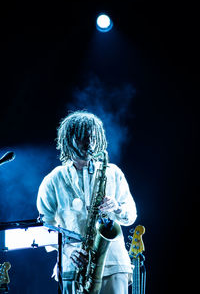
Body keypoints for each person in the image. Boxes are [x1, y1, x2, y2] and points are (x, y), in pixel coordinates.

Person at [37, 111, 137, 294]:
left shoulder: (113, 172)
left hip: (114, 264)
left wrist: (116, 207)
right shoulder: (53, 180)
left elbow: (131, 215)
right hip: (73, 268)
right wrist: (67, 250)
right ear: (68, 139)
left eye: (92, 136)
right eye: (82, 137)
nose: (89, 142)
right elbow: (44, 227)